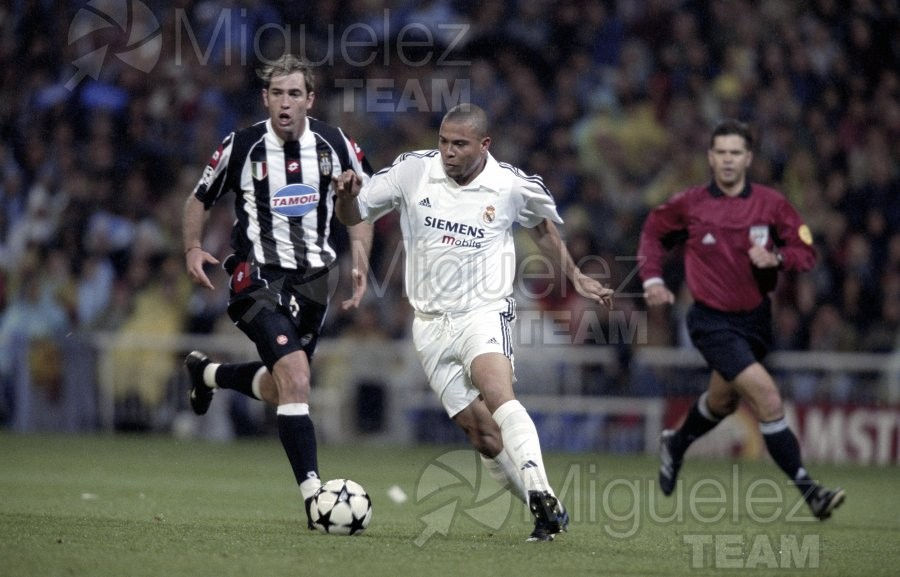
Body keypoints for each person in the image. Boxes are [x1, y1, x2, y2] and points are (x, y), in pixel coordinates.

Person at [333, 103, 614, 541]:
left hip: (483, 311)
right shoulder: (413, 171)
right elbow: (355, 215)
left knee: (497, 392)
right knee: (481, 433)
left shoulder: (509, 184)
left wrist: (575, 274)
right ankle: (545, 511)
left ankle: (540, 487)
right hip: (429, 323)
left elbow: (541, 226)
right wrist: (347, 197)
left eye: (460, 144)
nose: (448, 151)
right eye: (443, 141)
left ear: (485, 145)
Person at [181, 55, 374, 527]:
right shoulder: (241, 146)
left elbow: (360, 209)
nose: (285, 102)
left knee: (281, 385)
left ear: (310, 99)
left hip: (314, 283)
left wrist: (359, 252)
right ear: (265, 98)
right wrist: (192, 247)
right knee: (295, 376)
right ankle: (315, 499)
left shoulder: (336, 145)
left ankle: (208, 375)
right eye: (277, 93)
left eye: (294, 94)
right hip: (256, 277)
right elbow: (198, 198)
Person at [638, 119, 845, 520]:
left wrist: (777, 257)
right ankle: (811, 491)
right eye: (721, 152)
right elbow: (652, 232)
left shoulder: (772, 204)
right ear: (710, 157)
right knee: (767, 397)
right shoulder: (691, 204)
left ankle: (676, 444)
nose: (728, 160)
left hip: (756, 321)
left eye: (736, 152)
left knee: (723, 401)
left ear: (748, 158)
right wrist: (652, 279)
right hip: (710, 321)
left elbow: (806, 252)